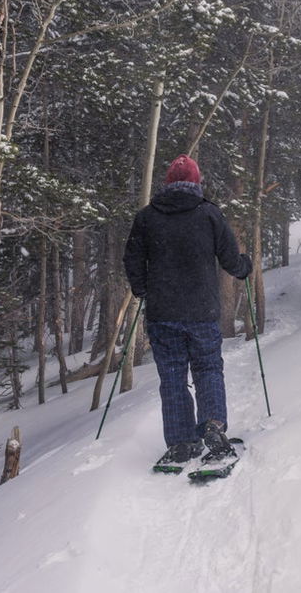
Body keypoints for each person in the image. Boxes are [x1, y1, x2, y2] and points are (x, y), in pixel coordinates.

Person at [123, 154, 252, 471]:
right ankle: (212, 428)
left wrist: (142, 289)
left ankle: (181, 442)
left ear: (168, 184)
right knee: (208, 369)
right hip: (202, 311)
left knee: (172, 377)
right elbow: (230, 259)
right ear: (196, 183)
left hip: (163, 313)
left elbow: (132, 259)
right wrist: (244, 267)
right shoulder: (209, 215)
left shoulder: (147, 217)